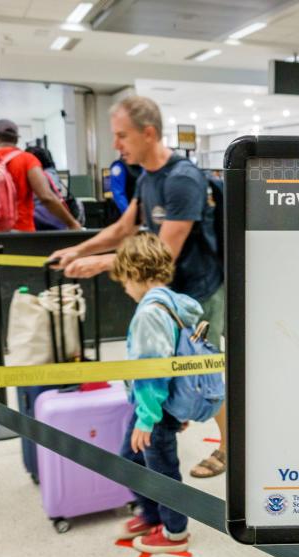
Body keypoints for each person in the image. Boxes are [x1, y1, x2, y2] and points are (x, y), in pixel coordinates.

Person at [48, 96, 228, 479]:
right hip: (168, 294)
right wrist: (77, 249)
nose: (116, 145)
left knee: (205, 373)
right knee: (170, 371)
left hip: (198, 293)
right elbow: (123, 229)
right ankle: (165, 442)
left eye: (121, 135)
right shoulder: (147, 177)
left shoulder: (182, 181)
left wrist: (100, 263)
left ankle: (229, 449)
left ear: (148, 133)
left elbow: (163, 252)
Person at [112, 232, 197, 553]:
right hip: (160, 403)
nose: (125, 288)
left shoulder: (149, 313)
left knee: (160, 466)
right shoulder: (171, 300)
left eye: (124, 281)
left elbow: (152, 367)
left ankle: (175, 532)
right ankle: (151, 514)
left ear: (135, 273)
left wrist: (147, 418)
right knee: (133, 457)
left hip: (153, 407)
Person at [0, 119, 81, 232]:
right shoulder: (27, 160)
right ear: (16, 140)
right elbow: (46, 197)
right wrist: (72, 223)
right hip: (20, 232)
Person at [25, 146, 84, 231]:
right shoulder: (52, 173)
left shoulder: (41, 176)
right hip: (55, 220)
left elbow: (45, 198)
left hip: (45, 222)